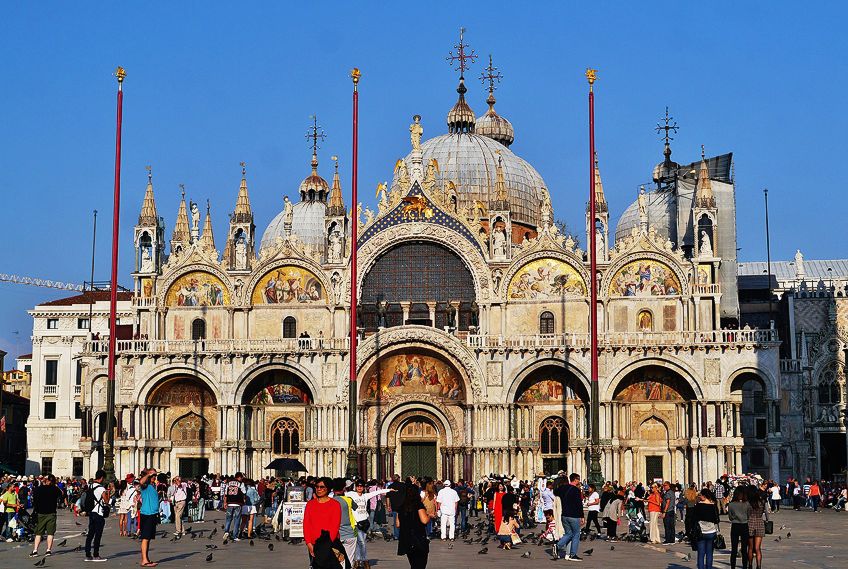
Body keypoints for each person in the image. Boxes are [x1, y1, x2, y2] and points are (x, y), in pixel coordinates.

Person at [350, 479, 393, 569]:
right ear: (355, 487)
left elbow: (377, 492)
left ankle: (357, 561)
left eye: (361, 486)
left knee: (360, 543)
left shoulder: (365, 496)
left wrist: (389, 490)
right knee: (361, 542)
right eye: (358, 486)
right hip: (356, 523)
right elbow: (340, 494)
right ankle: (365, 561)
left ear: (364, 487)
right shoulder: (352, 494)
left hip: (365, 522)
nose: (359, 488)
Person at [303, 477, 342, 567]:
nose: (319, 489)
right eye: (317, 487)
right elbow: (306, 525)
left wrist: (326, 547)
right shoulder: (310, 504)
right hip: (314, 544)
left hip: (330, 544)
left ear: (328, 489)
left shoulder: (335, 505)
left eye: (322, 487)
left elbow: (335, 527)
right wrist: (309, 544)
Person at [396, 479, 429, 569]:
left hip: (407, 539)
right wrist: (430, 515)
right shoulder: (418, 505)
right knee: (420, 565)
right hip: (418, 539)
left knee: (413, 564)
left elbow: (398, 524)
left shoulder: (402, 507)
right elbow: (424, 520)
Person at [554, 473, 584, 561]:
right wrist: (582, 516)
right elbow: (579, 504)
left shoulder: (562, 488)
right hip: (573, 515)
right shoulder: (576, 490)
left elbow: (555, 492)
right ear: (576, 479)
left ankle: (560, 548)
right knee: (576, 534)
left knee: (569, 534)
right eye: (578, 479)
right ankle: (572, 554)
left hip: (564, 515)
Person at [30, 474, 62, 557]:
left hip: (40, 513)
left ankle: (35, 550)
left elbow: (34, 501)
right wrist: (55, 486)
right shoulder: (54, 489)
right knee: (50, 533)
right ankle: (48, 550)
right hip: (51, 513)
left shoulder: (38, 489)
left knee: (38, 533)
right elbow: (62, 494)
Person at [84, 469, 109, 562]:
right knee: (98, 535)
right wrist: (108, 493)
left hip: (91, 512)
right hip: (98, 513)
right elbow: (106, 501)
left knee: (90, 534)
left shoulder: (90, 486)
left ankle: (87, 554)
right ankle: (96, 555)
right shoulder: (101, 488)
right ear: (102, 478)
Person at [691, 488, 720, 569]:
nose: (700, 497)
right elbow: (717, 520)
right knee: (709, 553)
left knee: (701, 554)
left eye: (700, 495)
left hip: (701, 532)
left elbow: (693, 518)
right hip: (711, 531)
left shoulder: (698, 505)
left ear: (704, 496)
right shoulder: (713, 506)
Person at [331, 478, 357, 566]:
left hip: (335, 535)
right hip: (350, 533)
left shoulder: (329, 501)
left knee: (336, 560)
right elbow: (355, 507)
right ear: (344, 488)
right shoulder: (348, 500)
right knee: (349, 560)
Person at [138, 468, 161, 567]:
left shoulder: (152, 486)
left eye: (155, 476)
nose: (154, 477)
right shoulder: (145, 486)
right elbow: (141, 482)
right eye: (153, 476)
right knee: (145, 538)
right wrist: (148, 474)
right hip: (147, 514)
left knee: (148, 538)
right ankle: (144, 560)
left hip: (152, 514)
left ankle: (146, 558)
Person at [727, 487, 751, 569]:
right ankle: (745, 566)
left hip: (735, 526)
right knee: (744, 549)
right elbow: (749, 515)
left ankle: (732, 567)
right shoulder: (747, 504)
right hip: (744, 525)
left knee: (734, 549)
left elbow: (730, 517)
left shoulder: (731, 504)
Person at [747, 485, 767, 569]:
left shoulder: (748, 503)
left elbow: (747, 514)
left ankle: (750, 565)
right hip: (759, 523)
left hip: (750, 523)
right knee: (758, 548)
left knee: (750, 548)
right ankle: (759, 566)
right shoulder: (762, 502)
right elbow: (765, 512)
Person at [223, 473, 246, 541]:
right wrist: (244, 500)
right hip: (238, 503)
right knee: (237, 520)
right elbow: (244, 492)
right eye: (241, 478)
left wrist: (225, 502)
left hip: (230, 503)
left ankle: (226, 531)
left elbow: (225, 494)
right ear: (239, 477)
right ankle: (235, 536)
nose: (241, 479)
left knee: (228, 519)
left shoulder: (228, 483)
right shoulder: (241, 484)